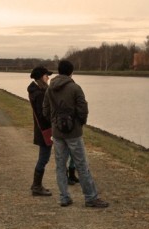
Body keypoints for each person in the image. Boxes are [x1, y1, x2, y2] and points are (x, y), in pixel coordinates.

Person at [43, 60, 108, 208]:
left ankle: (64, 197)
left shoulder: (50, 89)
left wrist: (54, 122)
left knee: (60, 165)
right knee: (82, 165)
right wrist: (79, 123)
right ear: (71, 72)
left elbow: (45, 110)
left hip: (57, 133)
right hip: (74, 133)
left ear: (59, 71)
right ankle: (90, 197)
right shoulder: (75, 88)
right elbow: (83, 109)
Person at [27, 66, 53, 196]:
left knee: (43, 157)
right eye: (46, 75)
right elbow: (44, 115)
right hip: (45, 131)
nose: (48, 77)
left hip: (41, 130)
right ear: (41, 77)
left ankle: (36, 185)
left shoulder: (36, 91)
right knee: (43, 158)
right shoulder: (41, 93)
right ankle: (36, 186)